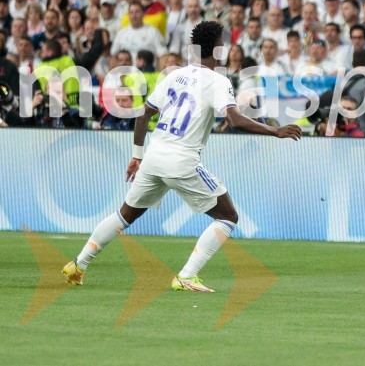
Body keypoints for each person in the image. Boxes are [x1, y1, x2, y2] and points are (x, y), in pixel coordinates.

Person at [62, 21, 302, 292]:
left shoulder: (174, 76)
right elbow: (234, 119)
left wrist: (137, 156)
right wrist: (275, 130)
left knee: (124, 214)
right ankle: (187, 275)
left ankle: (78, 265)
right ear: (219, 49)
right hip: (182, 160)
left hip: (154, 155)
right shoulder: (218, 81)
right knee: (227, 216)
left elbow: (144, 115)